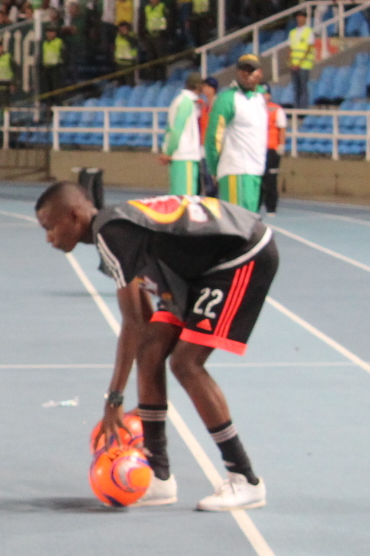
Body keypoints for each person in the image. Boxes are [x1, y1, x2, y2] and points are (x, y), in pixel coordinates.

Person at [35, 179, 279, 511]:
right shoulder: (115, 231)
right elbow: (145, 322)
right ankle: (160, 477)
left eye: (50, 226)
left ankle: (245, 480)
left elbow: (132, 320)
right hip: (193, 270)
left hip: (241, 254)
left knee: (186, 363)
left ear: (76, 215)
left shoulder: (112, 232)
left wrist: (114, 400)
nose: (48, 237)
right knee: (151, 350)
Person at [205, 55, 272, 212]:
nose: (247, 74)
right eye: (243, 70)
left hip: (255, 171)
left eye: (251, 70)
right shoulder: (228, 99)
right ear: (237, 72)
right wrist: (214, 169)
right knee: (238, 226)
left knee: (249, 226)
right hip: (237, 170)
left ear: (260, 73)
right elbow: (213, 137)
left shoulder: (259, 99)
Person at [161, 73, 206, 193]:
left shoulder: (180, 101)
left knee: (179, 196)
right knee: (185, 198)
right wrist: (169, 151)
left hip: (181, 156)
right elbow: (177, 130)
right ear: (198, 86)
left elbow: (170, 128)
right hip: (185, 155)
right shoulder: (187, 103)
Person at [285, 12, 316, 107]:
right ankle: (296, 108)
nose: (300, 19)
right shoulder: (293, 32)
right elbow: (290, 48)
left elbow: (308, 48)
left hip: (304, 65)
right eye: (298, 17)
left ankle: (303, 109)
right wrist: (290, 62)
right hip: (294, 65)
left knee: (303, 88)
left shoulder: (308, 31)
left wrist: (299, 63)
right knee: (296, 88)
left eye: (302, 17)